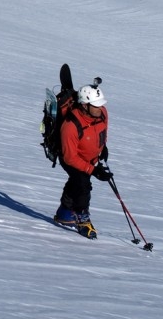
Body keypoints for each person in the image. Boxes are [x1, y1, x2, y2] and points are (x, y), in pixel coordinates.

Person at [53, 83, 112, 235]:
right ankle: (82, 218)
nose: (100, 108)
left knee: (76, 182)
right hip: (71, 158)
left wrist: (103, 147)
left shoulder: (102, 113)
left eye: (100, 104)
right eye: (95, 105)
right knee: (82, 184)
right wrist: (93, 171)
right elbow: (70, 157)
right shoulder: (70, 126)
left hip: (90, 158)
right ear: (85, 105)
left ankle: (64, 214)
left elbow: (101, 130)